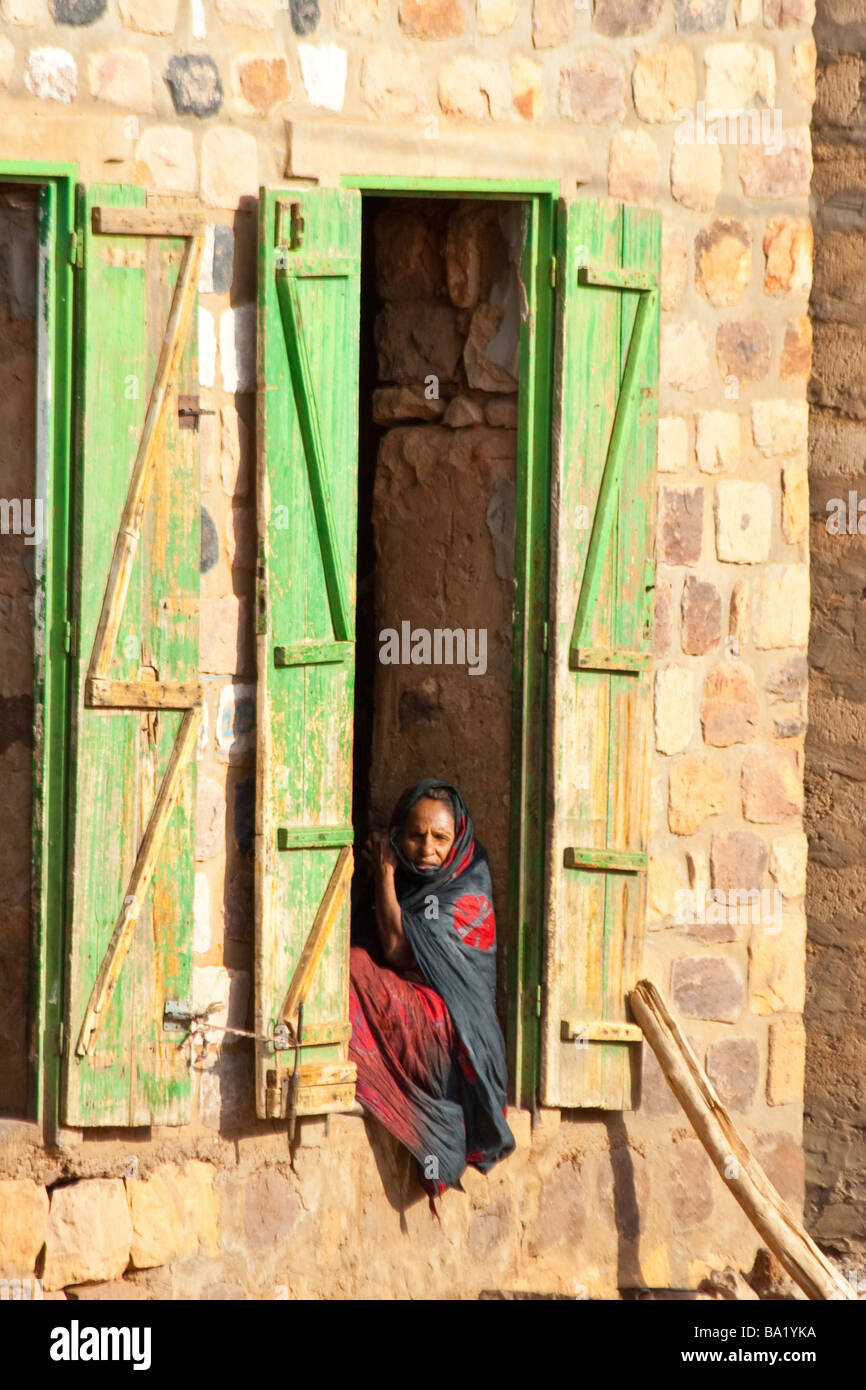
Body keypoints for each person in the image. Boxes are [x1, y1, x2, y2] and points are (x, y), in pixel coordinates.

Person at [349, 777, 515, 1198]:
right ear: (396, 836)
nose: (427, 849)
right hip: (414, 1007)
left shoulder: (465, 886)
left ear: (456, 839)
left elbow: (395, 947)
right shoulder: (412, 880)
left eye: (440, 837)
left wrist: (385, 873)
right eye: (415, 836)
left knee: (351, 966)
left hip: (453, 1031)